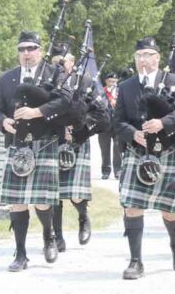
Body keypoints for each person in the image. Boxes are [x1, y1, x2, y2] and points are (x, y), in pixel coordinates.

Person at [0, 31, 85, 272]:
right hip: (18, 144)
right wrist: (3, 122)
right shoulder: (8, 78)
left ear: (40, 51)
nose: (26, 53)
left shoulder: (54, 73)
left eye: (31, 48)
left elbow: (65, 101)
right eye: (22, 49)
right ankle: (20, 254)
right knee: (17, 202)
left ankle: (49, 235)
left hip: (44, 142)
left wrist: (37, 112)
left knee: (42, 201)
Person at [112, 37, 175, 280]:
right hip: (137, 154)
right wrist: (132, 133)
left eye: (148, 55)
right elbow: (117, 121)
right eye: (139, 56)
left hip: (166, 152)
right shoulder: (126, 86)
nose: (143, 60)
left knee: (170, 211)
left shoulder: (172, 81)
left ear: (158, 58)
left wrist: (162, 123)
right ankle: (136, 261)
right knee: (132, 207)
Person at [51, 53, 110, 252]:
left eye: (62, 61)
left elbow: (100, 112)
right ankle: (56, 236)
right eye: (55, 63)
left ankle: (83, 217)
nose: (59, 66)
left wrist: (77, 128)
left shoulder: (85, 82)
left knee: (75, 193)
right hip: (50, 141)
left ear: (72, 62)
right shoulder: (47, 82)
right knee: (52, 194)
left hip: (77, 140)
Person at [98, 72, 121, 179]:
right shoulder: (100, 92)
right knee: (104, 148)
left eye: (115, 82)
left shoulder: (120, 92)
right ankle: (106, 171)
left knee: (118, 148)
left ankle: (118, 170)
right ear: (106, 81)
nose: (112, 83)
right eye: (110, 81)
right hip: (104, 124)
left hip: (117, 123)